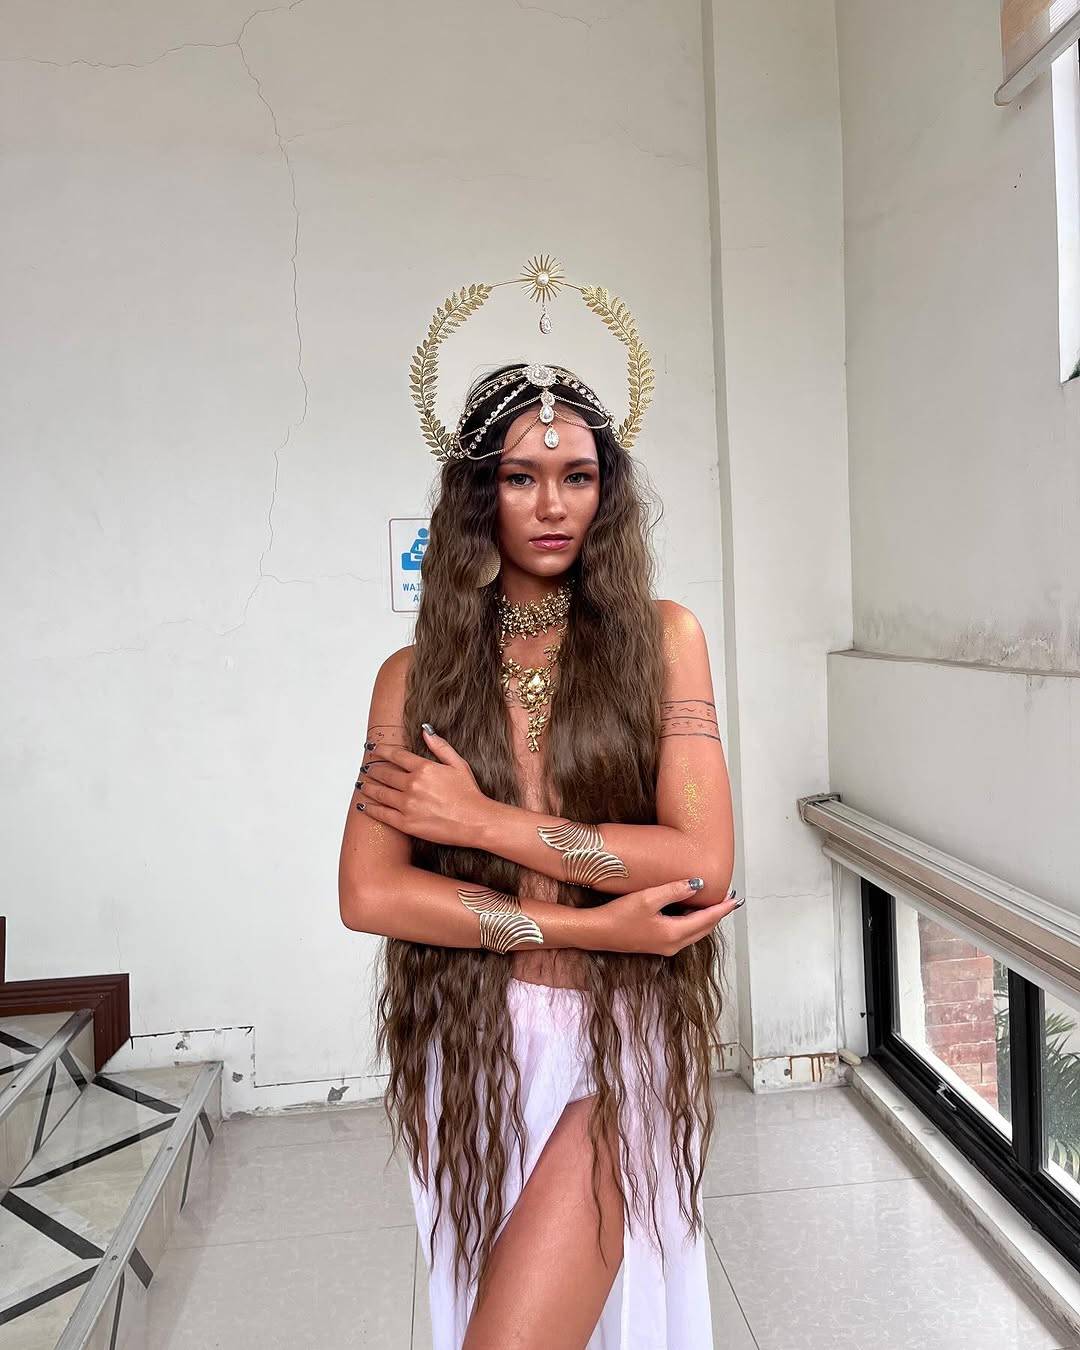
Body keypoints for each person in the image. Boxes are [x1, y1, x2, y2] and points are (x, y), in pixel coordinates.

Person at [338, 260, 740, 1349]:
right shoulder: (411, 680)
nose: (553, 505)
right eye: (521, 477)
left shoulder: (664, 640)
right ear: (480, 496)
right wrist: (586, 925)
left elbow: (700, 864)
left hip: (621, 1039)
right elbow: (370, 894)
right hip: (472, 1041)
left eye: (577, 475)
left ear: (608, 489)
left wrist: (483, 825)